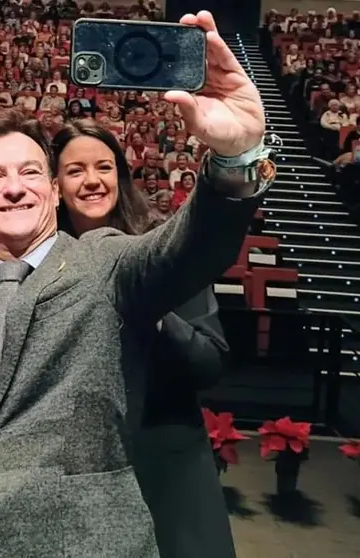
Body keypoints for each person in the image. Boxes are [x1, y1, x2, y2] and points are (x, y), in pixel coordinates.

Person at [0, 11, 269, 558]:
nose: (14, 189)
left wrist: (234, 156)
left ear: (54, 194)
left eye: (31, 172)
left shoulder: (102, 260)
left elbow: (190, 244)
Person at [50, 118, 235, 558]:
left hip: (163, 464)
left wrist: (151, 311)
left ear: (121, 175)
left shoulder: (166, 251)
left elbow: (210, 363)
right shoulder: (43, 261)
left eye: (104, 167)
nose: (92, 180)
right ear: (55, 184)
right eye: (75, 171)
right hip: (69, 469)